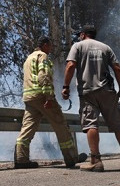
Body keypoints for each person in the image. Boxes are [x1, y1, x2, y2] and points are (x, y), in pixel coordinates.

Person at [61, 25, 120, 172]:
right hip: (107, 91)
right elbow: (117, 68)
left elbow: (71, 65)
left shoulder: (77, 46)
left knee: (91, 124)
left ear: (83, 34)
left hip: (87, 93)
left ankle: (96, 161)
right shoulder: (105, 48)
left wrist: (65, 86)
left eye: (80, 35)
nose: (79, 37)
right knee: (118, 124)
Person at [14, 36, 87, 169]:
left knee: (27, 129)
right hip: (42, 96)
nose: (51, 48)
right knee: (60, 125)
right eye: (50, 46)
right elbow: (44, 76)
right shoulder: (43, 56)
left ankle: (21, 159)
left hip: (29, 98)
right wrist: (48, 97)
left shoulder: (28, 59)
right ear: (45, 45)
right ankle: (71, 158)